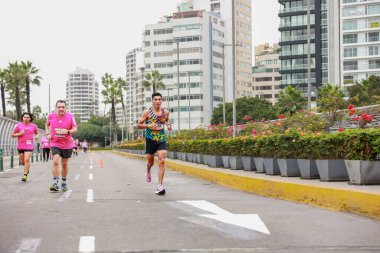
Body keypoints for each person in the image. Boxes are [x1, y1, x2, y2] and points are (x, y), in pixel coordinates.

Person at [137, 92, 172, 195]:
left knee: (162, 160)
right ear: (152, 101)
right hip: (150, 140)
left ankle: (160, 186)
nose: (158, 101)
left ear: (162, 101)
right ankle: (148, 170)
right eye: (155, 99)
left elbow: (166, 121)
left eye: (159, 99)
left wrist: (168, 125)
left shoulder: (165, 112)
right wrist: (148, 126)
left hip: (161, 139)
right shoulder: (147, 112)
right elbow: (138, 125)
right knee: (150, 163)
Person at [46, 100, 77, 192]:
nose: (61, 109)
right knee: (55, 161)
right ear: (56, 108)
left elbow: (75, 129)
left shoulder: (70, 116)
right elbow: (47, 125)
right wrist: (47, 133)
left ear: (66, 108)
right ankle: (55, 183)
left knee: (64, 164)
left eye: (63, 107)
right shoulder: (51, 116)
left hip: (67, 144)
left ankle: (63, 182)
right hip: (55, 142)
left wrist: (68, 131)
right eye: (59, 107)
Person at [11, 112, 39, 182]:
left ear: (30, 119)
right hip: (20, 146)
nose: (26, 119)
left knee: (27, 159)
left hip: (29, 146)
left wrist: (36, 136)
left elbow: (37, 133)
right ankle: (27, 169)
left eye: (27, 117)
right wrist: (19, 134)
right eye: (24, 117)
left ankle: (25, 174)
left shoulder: (33, 126)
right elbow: (12, 135)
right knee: (22, 161)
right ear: (22, 118)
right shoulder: (18, 126)